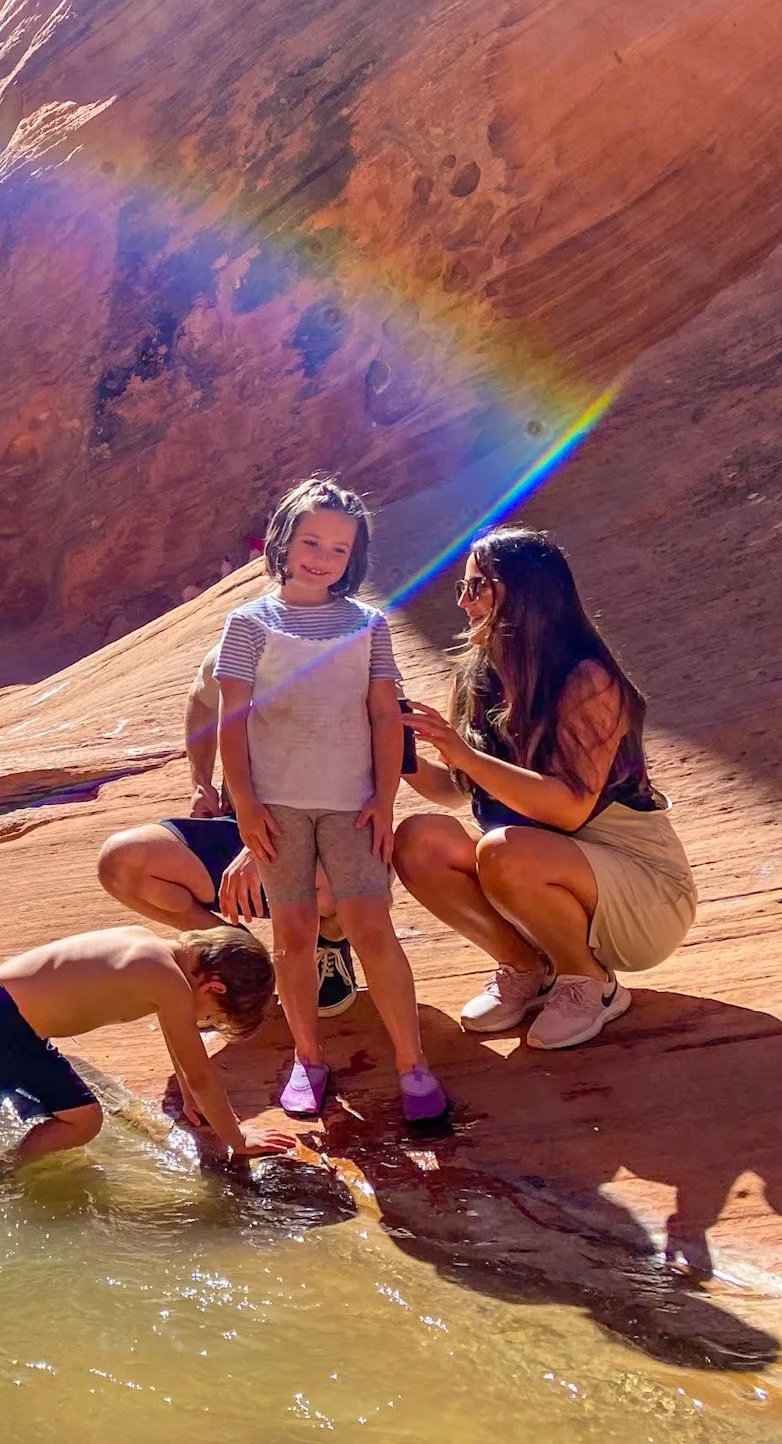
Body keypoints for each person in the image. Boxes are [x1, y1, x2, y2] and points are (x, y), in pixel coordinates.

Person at [395, 528, 697, 1049]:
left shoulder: (586, 680)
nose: (463, 601)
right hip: (548, 867)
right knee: (418, 840)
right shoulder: (476, 676)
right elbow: (454, 790)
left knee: (504, 850)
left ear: (525, 591)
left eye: (477, 587)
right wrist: (396, 748)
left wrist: (464, 752)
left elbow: (569, 809)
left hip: (643, 891)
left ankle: (591, 984)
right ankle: (527, 968)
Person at [214, 478, 448, 1130]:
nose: (321, 556)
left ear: (354, 558)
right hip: (278, 810)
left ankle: (413, 1066)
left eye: (338, 549)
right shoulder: (248, 625)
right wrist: (245, 807)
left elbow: (382, 714)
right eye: (311, 540)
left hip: (352, 807)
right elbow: (232, 722)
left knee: (373, 928)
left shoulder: (368, 625)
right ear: (283, 540)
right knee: (291, 938)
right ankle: (307, 1060)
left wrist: (385, 798)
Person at [98, 645, 364, 1019]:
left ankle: (328, 942)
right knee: (121, 863)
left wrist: (260, 852)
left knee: (347, 876)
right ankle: (239, 955)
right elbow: (200, 696)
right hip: (240, 822)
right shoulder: (238, 649)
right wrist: (201, 782)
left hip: (318, 831)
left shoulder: (337, 665)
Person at [0, 925, 295, 1174]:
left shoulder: (155, 951)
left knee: (83, 1118)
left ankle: (0, 1174)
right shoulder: (167, 980)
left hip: (1, 1020)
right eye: (213, 1018)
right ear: (214, 988)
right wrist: (237, 1137)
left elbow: (179, 1041)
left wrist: (190, 1098)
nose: (204, 1023)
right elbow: (201, 1074)